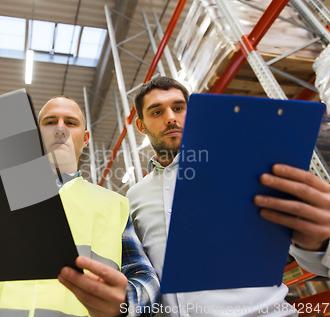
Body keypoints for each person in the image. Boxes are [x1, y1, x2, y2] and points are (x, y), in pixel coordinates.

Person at [0, 95, 160, 317]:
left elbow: (146, 278)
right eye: (50, 122)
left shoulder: (114, 205)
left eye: (70, 123)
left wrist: (126, 302)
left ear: (85, 139)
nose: (60, 129)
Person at [127, 76, 330, 316]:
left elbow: (314, 262)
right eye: (157, 111)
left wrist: (320, 243)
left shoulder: (244, 169)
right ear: (141, 126)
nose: (171, 117)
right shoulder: (135, 196)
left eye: (179, 108)